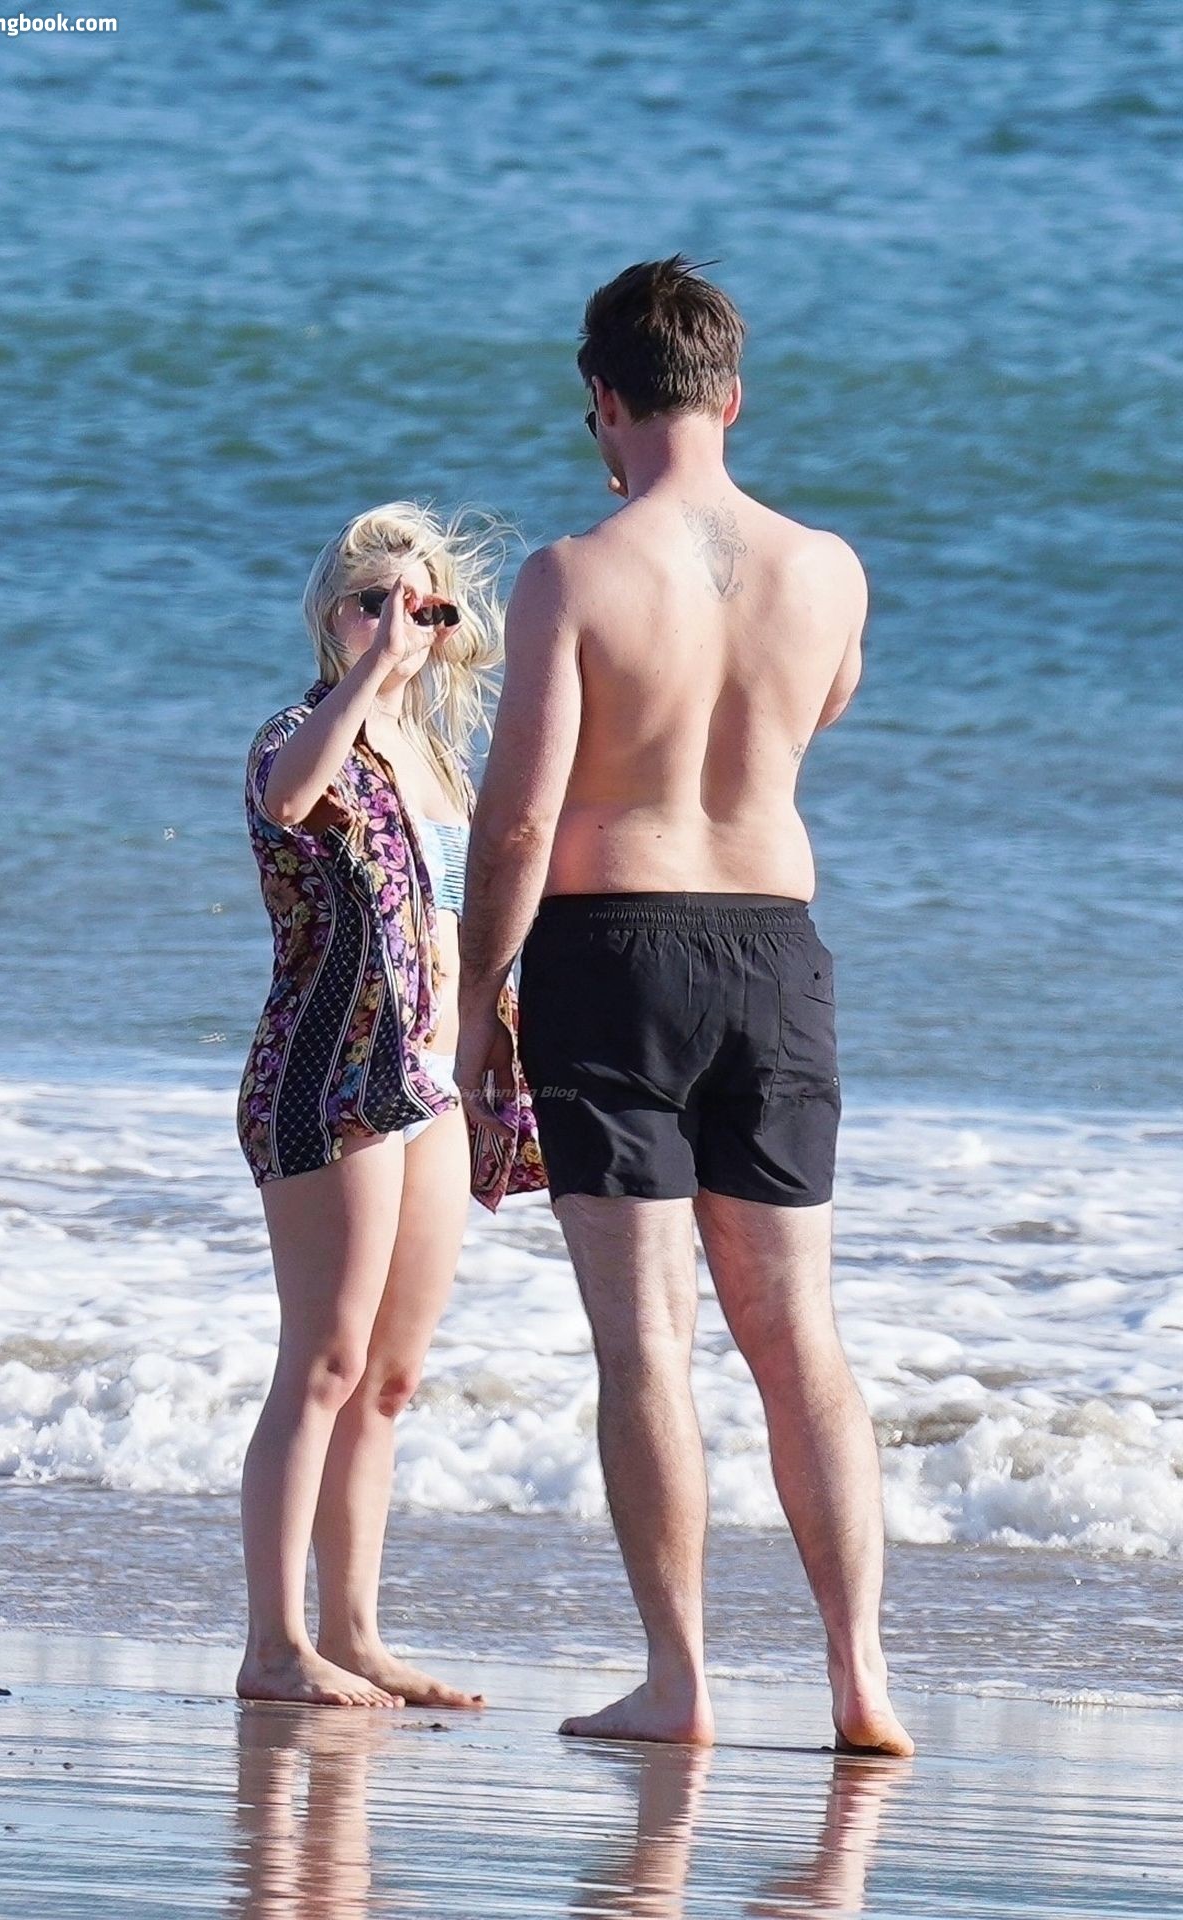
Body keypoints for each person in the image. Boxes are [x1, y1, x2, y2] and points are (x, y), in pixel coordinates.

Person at [456, 259, 914, 1755]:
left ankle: (681, 1684)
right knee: (799, 1336)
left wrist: (477, 1001)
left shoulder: (573, 574)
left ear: (603, 401)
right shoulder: (828, 568)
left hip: (614, 956)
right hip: (775, 948)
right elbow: (817, 708)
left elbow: (519, 822)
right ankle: (859, 1679)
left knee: (648, 1342)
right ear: (733, 396)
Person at [236, 501, 543, 1710]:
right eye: (373, 603)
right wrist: (366, 674)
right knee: (323, 1359)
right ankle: (274, 1646)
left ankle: (354, 1633)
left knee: (390, 1377)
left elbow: (460, 926)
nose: (398, 624)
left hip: (427, 1083)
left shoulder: (440, 765)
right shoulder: (299, 731)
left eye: (420, 606)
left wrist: (493, 1048)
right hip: (327, 1074)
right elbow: (286, 802)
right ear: (333, 616)